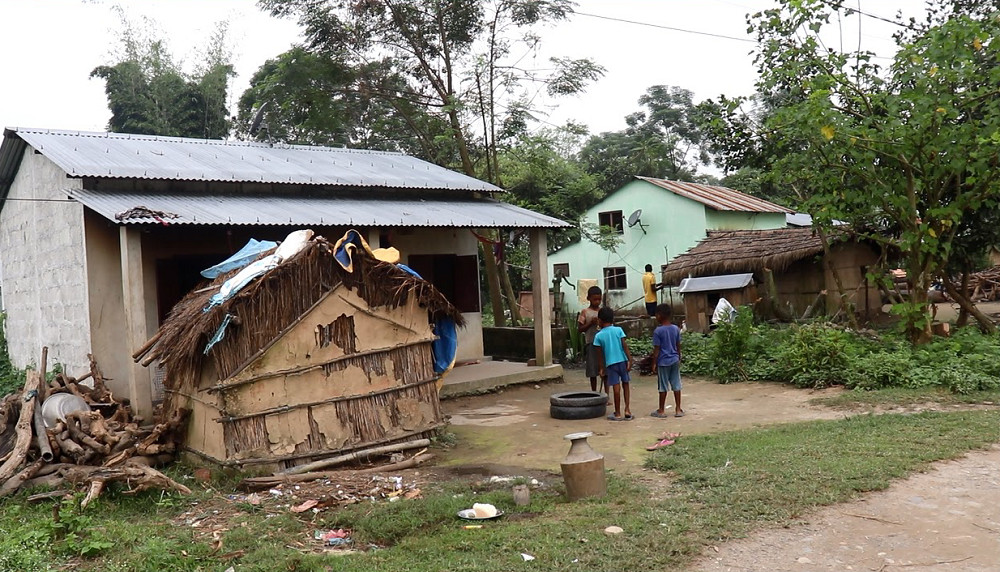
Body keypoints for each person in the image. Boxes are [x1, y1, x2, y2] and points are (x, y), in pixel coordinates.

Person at [593, 306, 634, 421]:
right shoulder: (618, 330)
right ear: (612, 319)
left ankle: (617, 413)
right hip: (623, 361)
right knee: (625, 384)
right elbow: (624, 346)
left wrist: (601, 368)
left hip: (611, 364)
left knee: (616, 388)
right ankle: (627, 409)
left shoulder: (598, 336)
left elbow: (600, 356)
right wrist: (630, 360)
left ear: (600, 320)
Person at [651, 304, 684, 418]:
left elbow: (657, 349)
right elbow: (678, 344)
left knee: (663, 386)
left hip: (663, 362)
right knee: (676, 384)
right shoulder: (675, 329)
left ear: (659, 315)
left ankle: (661, 410)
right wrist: (679, 356)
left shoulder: (658, 331)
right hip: (674, 359)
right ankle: (678, 409)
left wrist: (654, 363)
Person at [577, 285, 606, 394]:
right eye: (595, 299)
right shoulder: (585, 312)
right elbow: (580, 329)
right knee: (593, 371)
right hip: (591, 343)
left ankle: (606, 393)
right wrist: (590, 323)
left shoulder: (603, 311)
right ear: (589, 298)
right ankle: (594, 392)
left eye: (599, 299)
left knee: (605, 370)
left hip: (603, 345)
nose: (597, 302)